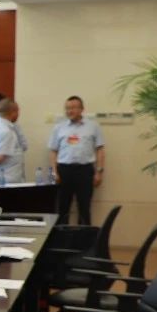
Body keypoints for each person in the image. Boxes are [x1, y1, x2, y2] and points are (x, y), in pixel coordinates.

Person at [48, 95, 106, 225]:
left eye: (73, 108)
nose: (70, 111)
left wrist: (99, 172)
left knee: (84, 208)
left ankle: (83, 237)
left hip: (85, 171)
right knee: (62, 207)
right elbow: (53, 151)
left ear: (82, 109)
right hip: (64, 170)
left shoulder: (93, 126)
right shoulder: (59, 127)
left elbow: (100, 150)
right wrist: (53, 173)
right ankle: (62, 236)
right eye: (67, 108)